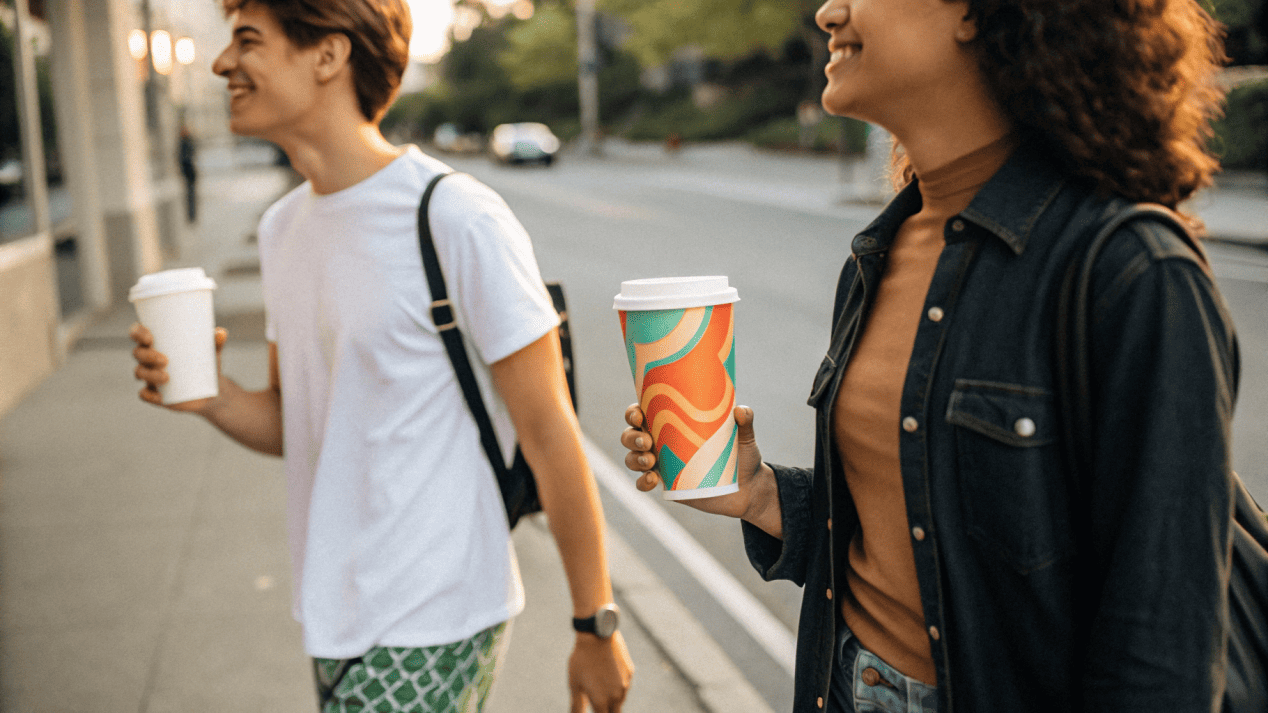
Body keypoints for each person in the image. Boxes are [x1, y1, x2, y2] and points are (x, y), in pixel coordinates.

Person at [622, 0, 1240, 711]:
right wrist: (759, 493)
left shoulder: (1132, 273)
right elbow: (911, 532)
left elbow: (1160, 660)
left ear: (977, 14)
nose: (829, 11)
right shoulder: (879, 253)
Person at [129, 1, 633, 711]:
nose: (221, 63)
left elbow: (551, 434)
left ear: (328, 56)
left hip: (435, 608)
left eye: (247, 41)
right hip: (332, 605)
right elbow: (300, 421)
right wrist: (209, 394)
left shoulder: (455, 216)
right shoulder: (282, 229)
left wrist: (595, 623)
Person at [178, 125, 198, 222]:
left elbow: (187, 157)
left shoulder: (187, 142)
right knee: (190, 195)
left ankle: (192, 215)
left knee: (191, 195)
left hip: (190, 172)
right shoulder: (185, 143)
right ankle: (191, 215)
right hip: (188, 172)